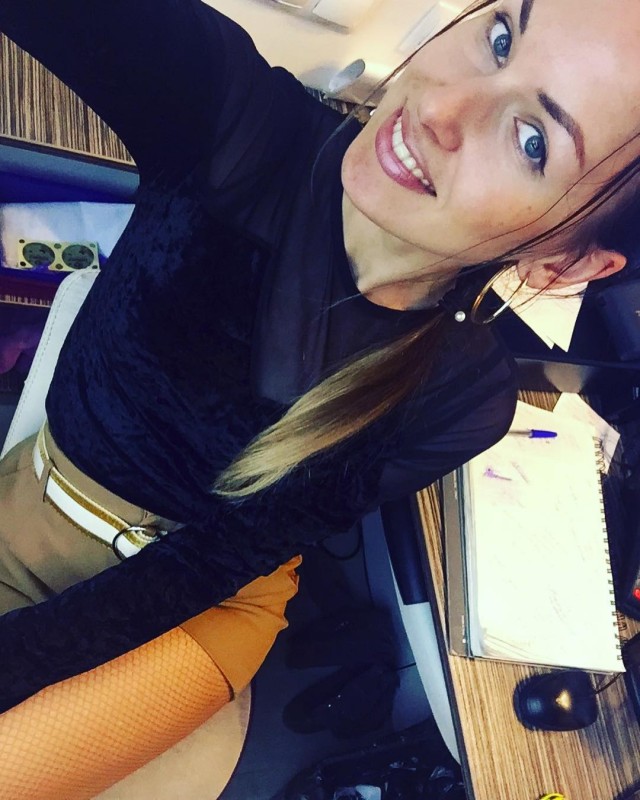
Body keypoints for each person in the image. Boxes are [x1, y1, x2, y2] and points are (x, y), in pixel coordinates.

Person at [1, 0, 640, 795]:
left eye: (533, 140)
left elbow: (217, 559)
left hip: (207, 600)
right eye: (502, 36)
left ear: (565, 266)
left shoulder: (466, 398)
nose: (439, 108)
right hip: (42, 504)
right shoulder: (236, 125)